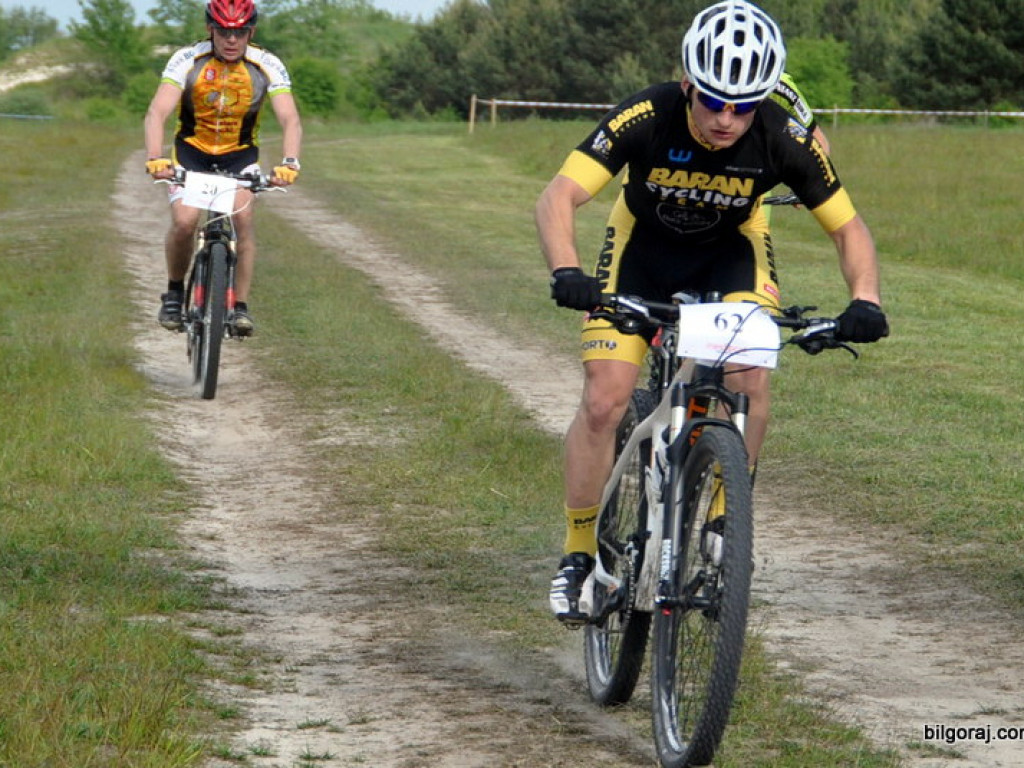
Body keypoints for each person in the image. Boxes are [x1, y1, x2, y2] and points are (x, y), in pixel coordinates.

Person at [535, 0, 888, 626]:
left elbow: (849, 228)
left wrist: (866, 299)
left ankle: (728, 516)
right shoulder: (648, 113)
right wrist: (567, 271)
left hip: (730, 255)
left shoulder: (782, 135)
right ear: (687, 84)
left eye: (744, 105)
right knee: (603, 398)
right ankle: (580, 554)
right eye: (714, 101)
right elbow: (559, 195)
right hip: (641, 251)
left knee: (749, 376)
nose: (727, 119)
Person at [143, 0, 302, 336]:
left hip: (238, 156)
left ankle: (239, 308)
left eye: (240, 32)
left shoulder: (267, 63)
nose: (232, 39)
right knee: (185, 222)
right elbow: (157, 112)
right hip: (191, 154)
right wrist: (156, 157)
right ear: (210, 30)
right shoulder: (188, 60)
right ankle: (173, 293)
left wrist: (290, 162)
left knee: (243, 220)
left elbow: (289, 117)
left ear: (251, 32)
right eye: (224, 31)